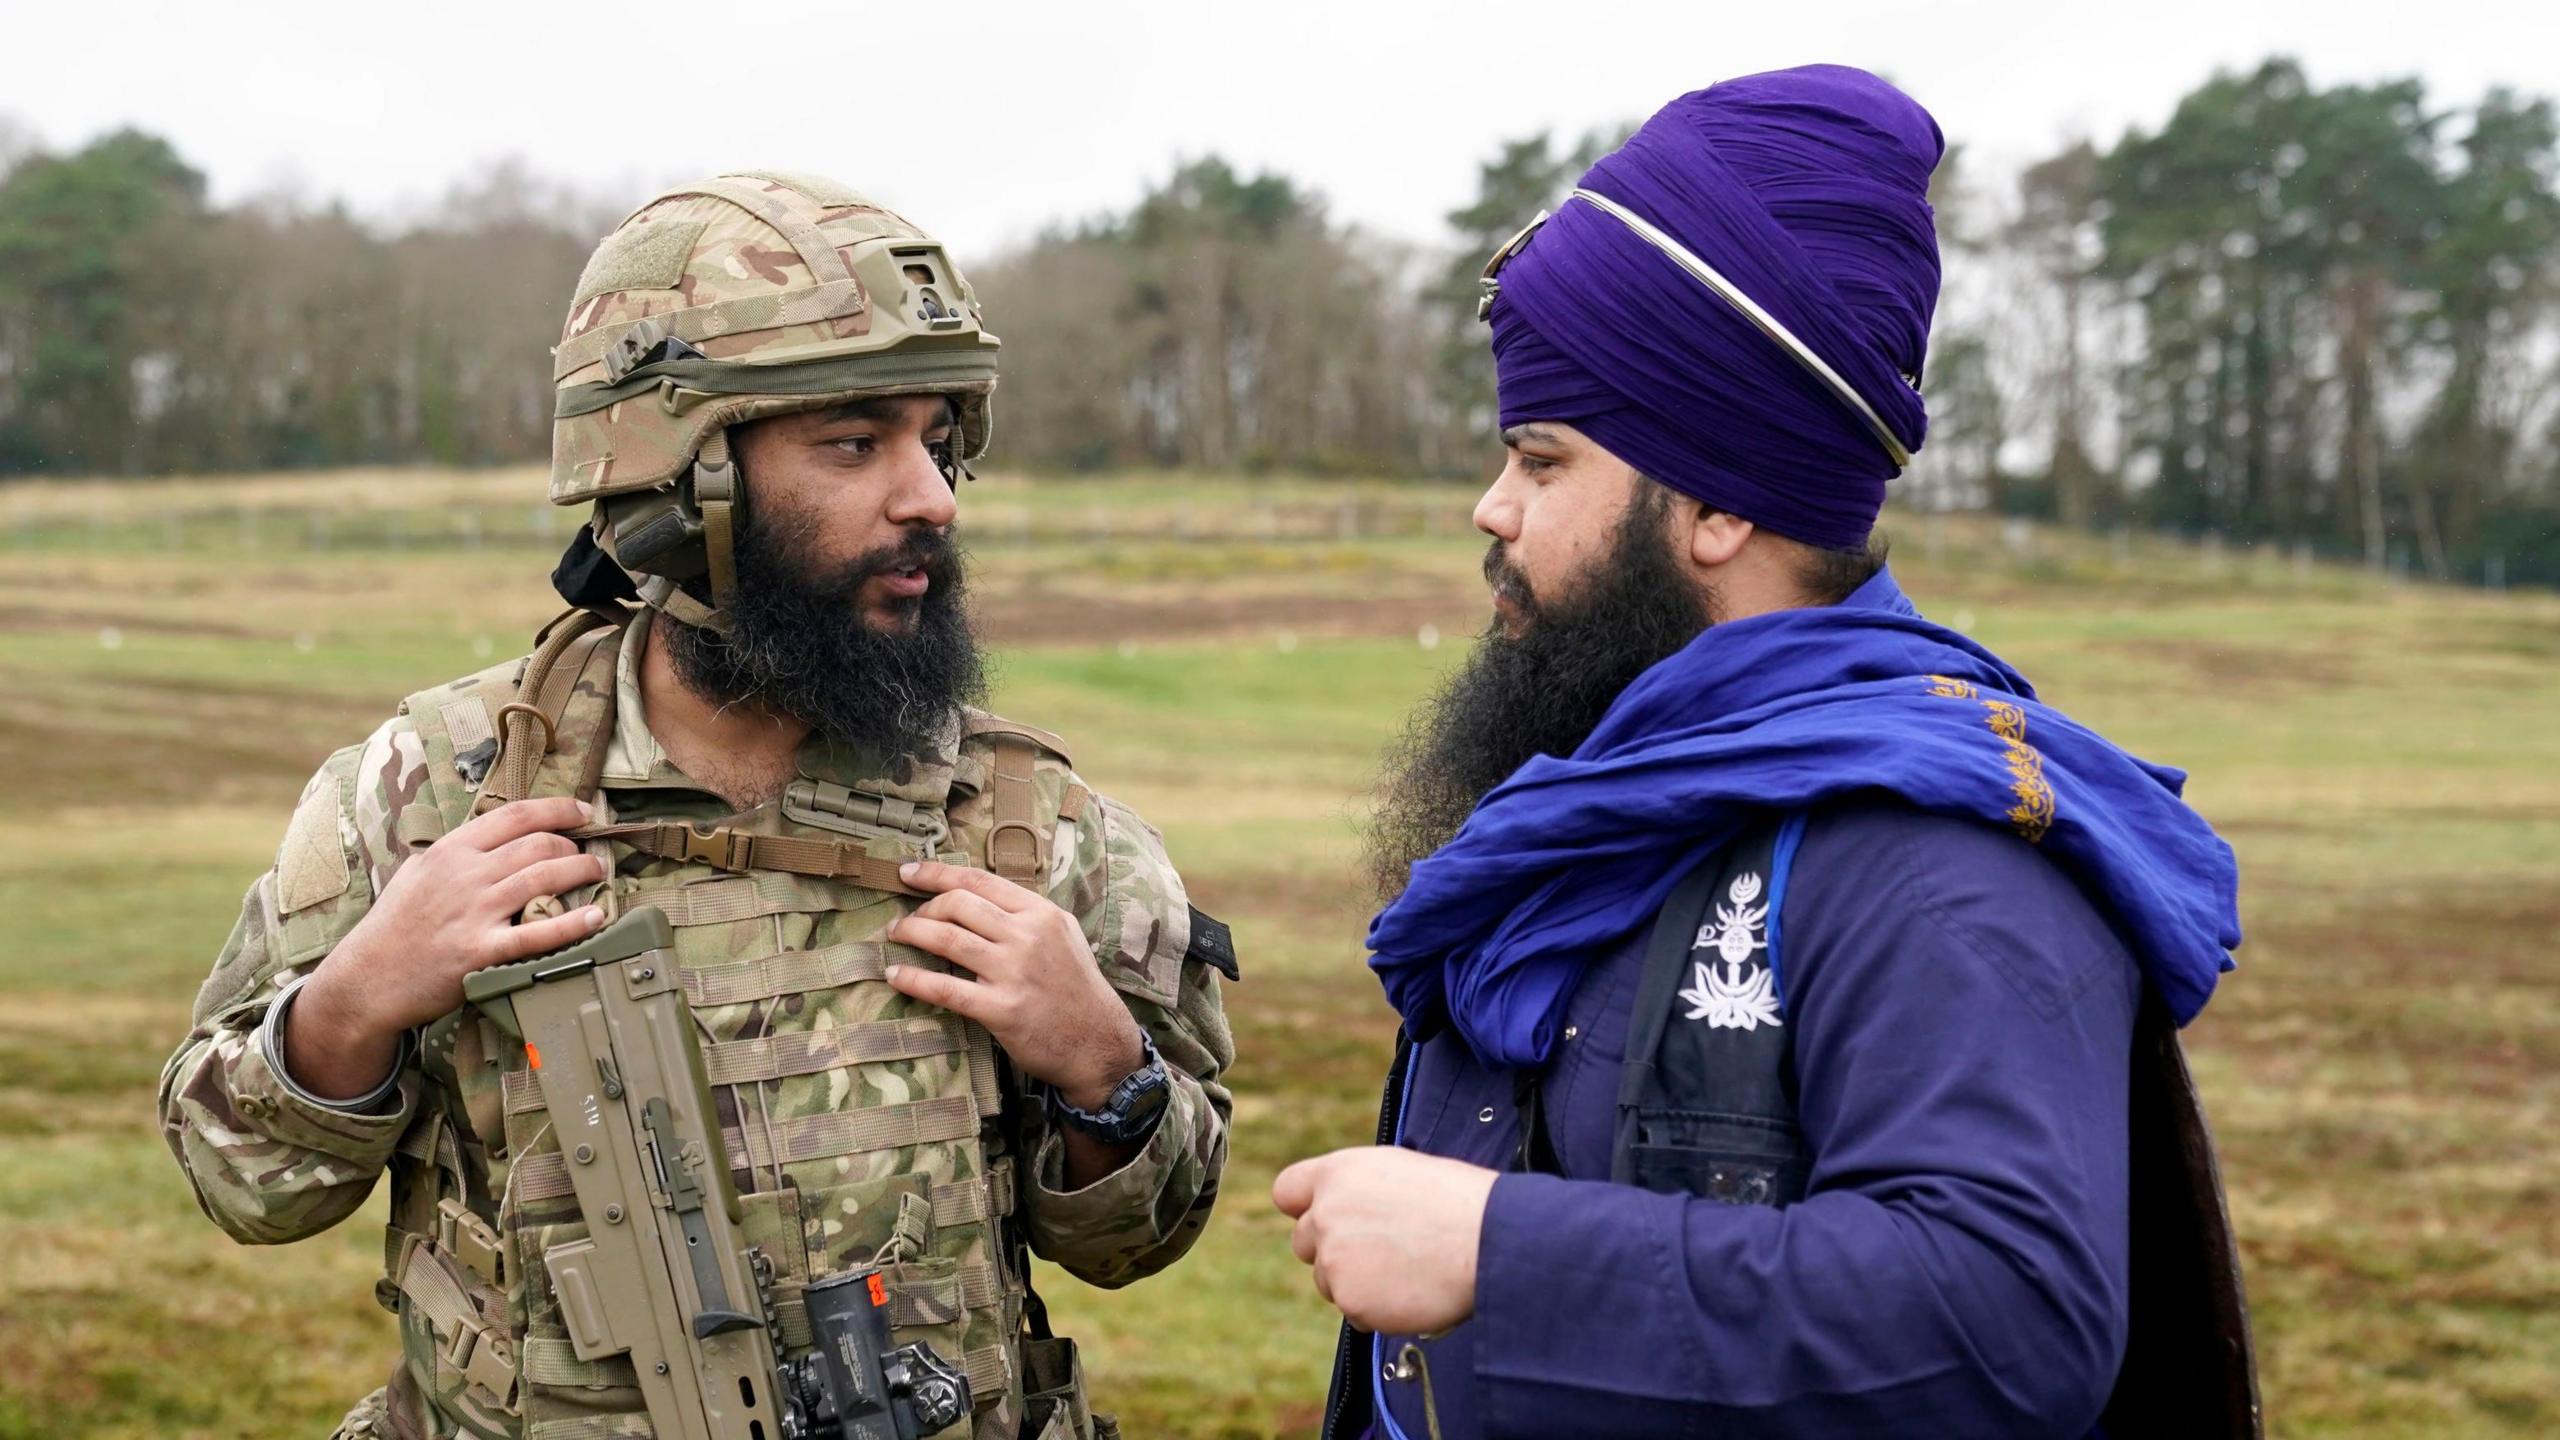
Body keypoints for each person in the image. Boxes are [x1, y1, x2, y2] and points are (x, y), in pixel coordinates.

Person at [158, 172, 1236, 1440]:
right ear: (680, 482)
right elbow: (245, 1191)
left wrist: (1106, 1072)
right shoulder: (426, 797)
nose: (932, 500)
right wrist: (354, 1004)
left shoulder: (1032, 828)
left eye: (936, 440)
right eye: (855, 443)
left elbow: (1143, 1243)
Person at [1273, 67, 2257, 1439]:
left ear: (1719, 505)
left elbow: (2007, 1318)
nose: (1490, 507)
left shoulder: (1930, 855)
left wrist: (1504, 1251)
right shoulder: (1603, 810)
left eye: (1544, 461)